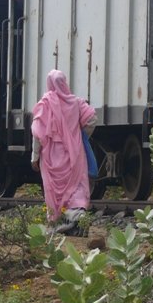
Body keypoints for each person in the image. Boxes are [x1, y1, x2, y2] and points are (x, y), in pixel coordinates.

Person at [31, 69, 97, 236]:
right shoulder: (75, 102)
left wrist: (35, 156)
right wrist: (80, 135)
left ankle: (57, 222)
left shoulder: (45, 104)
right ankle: (77, 221)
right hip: (74, 154)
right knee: (77, 187)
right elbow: (92, 119)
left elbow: (37, 134)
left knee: (53, 189)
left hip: (51, 157)